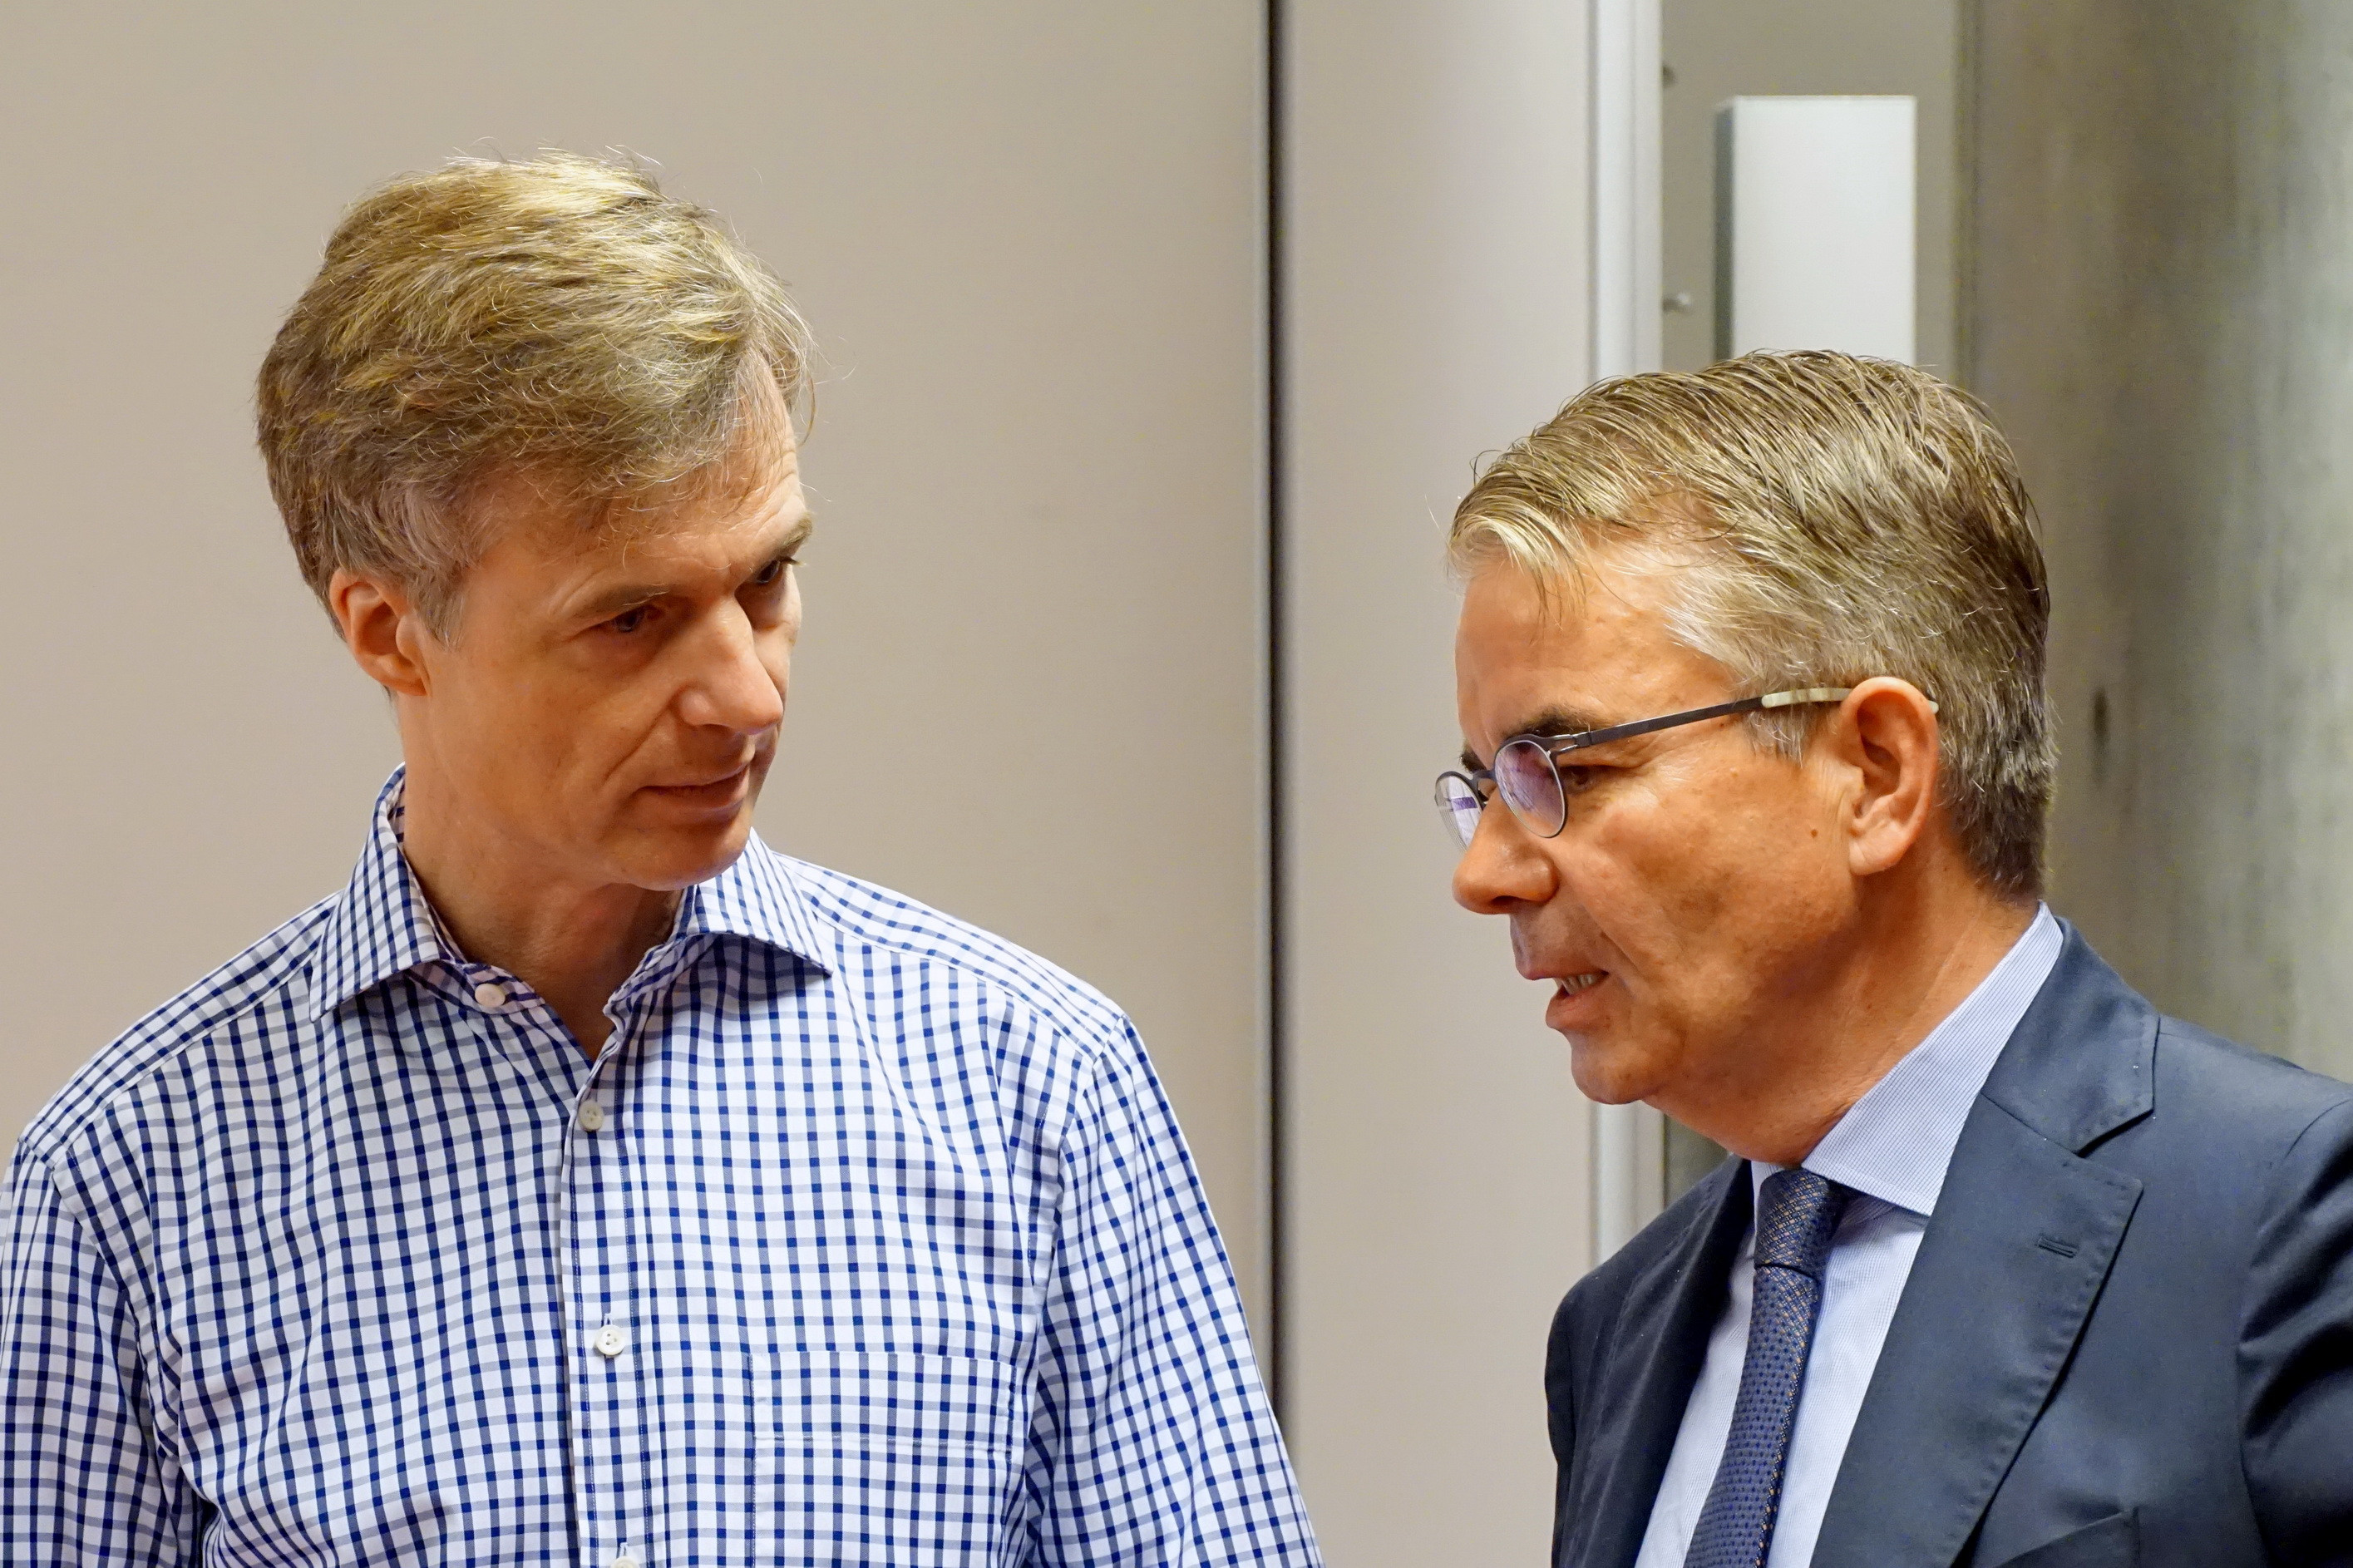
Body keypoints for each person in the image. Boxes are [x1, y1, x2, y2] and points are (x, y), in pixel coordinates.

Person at [0, 154, 1317, 1568]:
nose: (747, 694)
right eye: (630, 619)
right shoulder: (126, 1187)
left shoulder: (1036, 1089)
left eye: (767, 579)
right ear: (388, 631)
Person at [1436, 352, 2353, 1567]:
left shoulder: (2286, 1229)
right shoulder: (1618, 1329)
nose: (1484, 873)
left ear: (1874, 772)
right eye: (1483, 787)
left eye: (1568, 773)